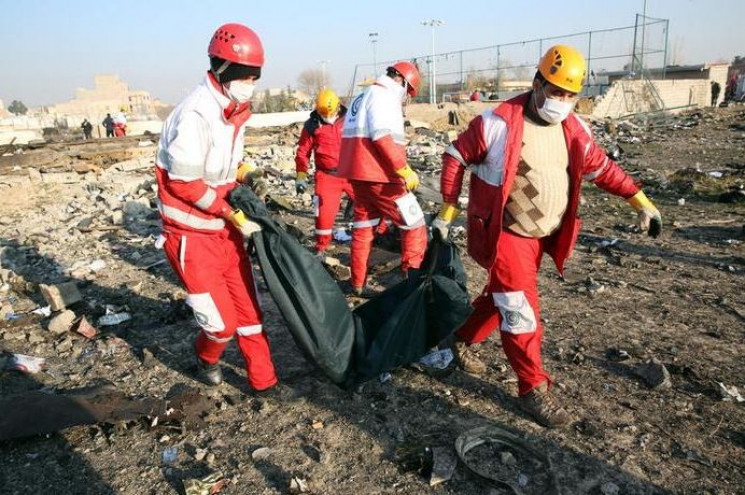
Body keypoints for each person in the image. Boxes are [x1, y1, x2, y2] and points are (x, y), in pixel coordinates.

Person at [432, 45, 662, 428]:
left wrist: (639, 200)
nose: (562, 102)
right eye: (556, 91)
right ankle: (532, 388)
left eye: (571, 95)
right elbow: (455, 156)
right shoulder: (498, 123)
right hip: (507, 234)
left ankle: (458, 336)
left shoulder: (574, 129)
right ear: (537, 84)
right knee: (520, 310)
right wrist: (448, 208)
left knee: (502, 297)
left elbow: (602, 168)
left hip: (542, 236)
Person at [154, 22, 279, 394]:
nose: (250, 82)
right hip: (191, 235)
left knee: (250, 314)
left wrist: (245, 171)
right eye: (245, 75)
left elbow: (222, 166)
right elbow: (183, 183)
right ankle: (205, 357)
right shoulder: (196, 114)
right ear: (222, 69)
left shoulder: (232, 109)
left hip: (224, 233)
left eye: (254, 76)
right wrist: (227, 210)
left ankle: (264, 380)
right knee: (220, 324)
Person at [338, 61, 426, 297]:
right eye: (408, 91)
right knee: (414, 224)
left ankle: (358, 283)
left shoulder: (363, 95)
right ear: (402, 81)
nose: (407, 96)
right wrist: (403, 169)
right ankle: (413, 285)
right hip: (382, 177)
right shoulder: (384, 95)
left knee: (363, 228)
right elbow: (382, 136)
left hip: (358, 175)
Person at [294, 89, 353, 254]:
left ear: (338, 107)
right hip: (327, 176)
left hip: (352, 173)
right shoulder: (312, 125)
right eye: (324, 114)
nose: (328, 116)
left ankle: (380, 234)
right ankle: (321, 246)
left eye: (331, 113)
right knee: (323, 214)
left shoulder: (350, 119)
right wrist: (301, 175)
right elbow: (303, 152)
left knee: (371, 204)